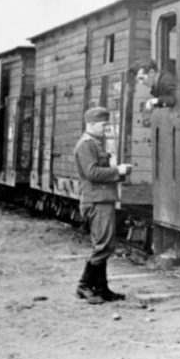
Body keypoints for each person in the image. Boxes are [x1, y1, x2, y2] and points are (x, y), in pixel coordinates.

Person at [74, 107, 133, 304]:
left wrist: (120, 172)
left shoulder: (94, 144)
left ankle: (101, 288)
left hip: (102, 199)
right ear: (90, 124)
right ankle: (84, 286)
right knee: (102, 245)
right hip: (96, 201)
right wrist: (118, 170)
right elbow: (92, 173)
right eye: (103, 124)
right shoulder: (85, 145)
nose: (105, 128)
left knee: (106, 244)